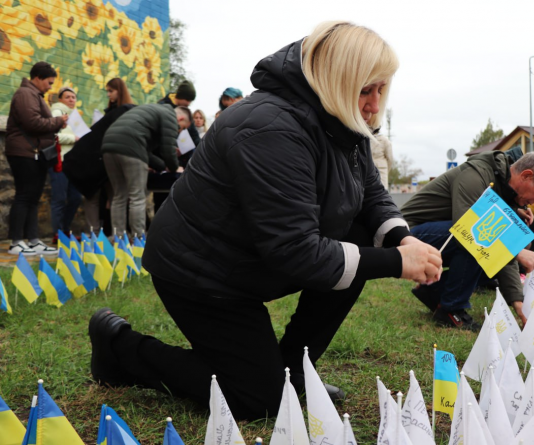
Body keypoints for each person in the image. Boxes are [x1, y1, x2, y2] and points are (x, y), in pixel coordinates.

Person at [88, 21, 442, 420]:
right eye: (365, 89)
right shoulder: (269, 126)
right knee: (257, 401)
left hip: (249, 258)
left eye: (381, 89)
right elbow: (294, 249)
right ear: (335, 79)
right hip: (202, 273)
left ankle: (290, 372)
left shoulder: (341, 120)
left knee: (362, 236)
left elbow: (371, 194)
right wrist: (397, 263)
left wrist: (402, 240)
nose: (375, 105)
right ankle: (119, 347)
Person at [400, 149, 534, 329]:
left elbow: (502, 255)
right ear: (526, 175)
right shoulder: (476, 175)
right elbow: (469, 230)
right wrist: (516, 250)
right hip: (407, 233)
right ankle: (451, 309)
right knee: (477, 240)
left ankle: (435, 291)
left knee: (491, 247)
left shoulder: (505, 192)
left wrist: (518, 303)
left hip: (439, 235)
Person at [5, 61, 67, 255]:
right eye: (49, 83)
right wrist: (58, 121)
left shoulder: (33, 95)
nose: (50, 87)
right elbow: (32, 123)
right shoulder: (25, 94)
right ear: (37, 78)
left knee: (33, 197)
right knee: (24, 196)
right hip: (24, 153)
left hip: (34, 153)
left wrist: (56, 124)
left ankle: (33, 240)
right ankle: (16, 242)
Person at [101, 104, 189, 237]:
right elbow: (168, 150)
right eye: (180, 128)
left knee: (119, 196)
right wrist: (174, 167)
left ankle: (118, 239)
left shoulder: (151, 111)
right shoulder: (170, 115)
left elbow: (145, 152)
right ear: (181, 118)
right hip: (131, 147)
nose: (177, 131)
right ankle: (139, 240)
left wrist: (162, 166)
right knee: (137, 196)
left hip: (108, 145)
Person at [64, 78, 135, 235]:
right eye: (107, 91)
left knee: (116, 198)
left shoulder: (124, 111)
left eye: (111, 91)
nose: (108, 94)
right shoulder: (111, 112)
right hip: (97, 160)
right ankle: (95, 235)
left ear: (120, 91)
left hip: (110, 160)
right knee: (94, 197)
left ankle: (118, 234)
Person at [49, 87, 83, 242]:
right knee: (59, 199)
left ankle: (65, 230)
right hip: (59, 162)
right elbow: (53, 137)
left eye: (74, 97)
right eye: (67, 97)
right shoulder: (56, 113)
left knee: (75, 198)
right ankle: (58, 233)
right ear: (60, 100)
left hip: (73, 165)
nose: (71, 100)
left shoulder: (74, 116)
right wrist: (74, 139)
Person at [159, 80, 201, 146]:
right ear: (180, 96)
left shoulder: (186, 113)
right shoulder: (162, 106)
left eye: (190, 101)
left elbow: (194, 136)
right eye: (187, 100)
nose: (188, 103)